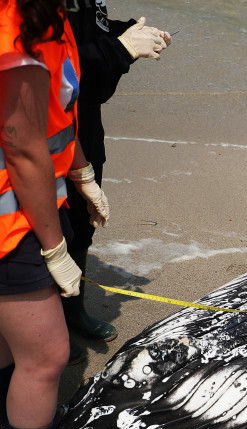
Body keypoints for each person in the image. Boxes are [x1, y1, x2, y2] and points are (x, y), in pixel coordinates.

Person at [1, 0, 109, 429]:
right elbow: (22, 151)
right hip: (11, 222)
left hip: (37, 204)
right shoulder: (9, 31)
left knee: (13, 338)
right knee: (47, 355)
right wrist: (52, 249)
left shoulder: (50, 14)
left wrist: (83, 169)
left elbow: (59, 110)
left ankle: (5, 415)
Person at [62, 1, 170, 357]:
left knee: (82, 222)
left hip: (86, 130)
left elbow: (93, 27)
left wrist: (129, 33)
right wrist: (122, 49)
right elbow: (70, 75)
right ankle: (36, 331)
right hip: (47, 128)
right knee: (43, 232)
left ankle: (70, 312)